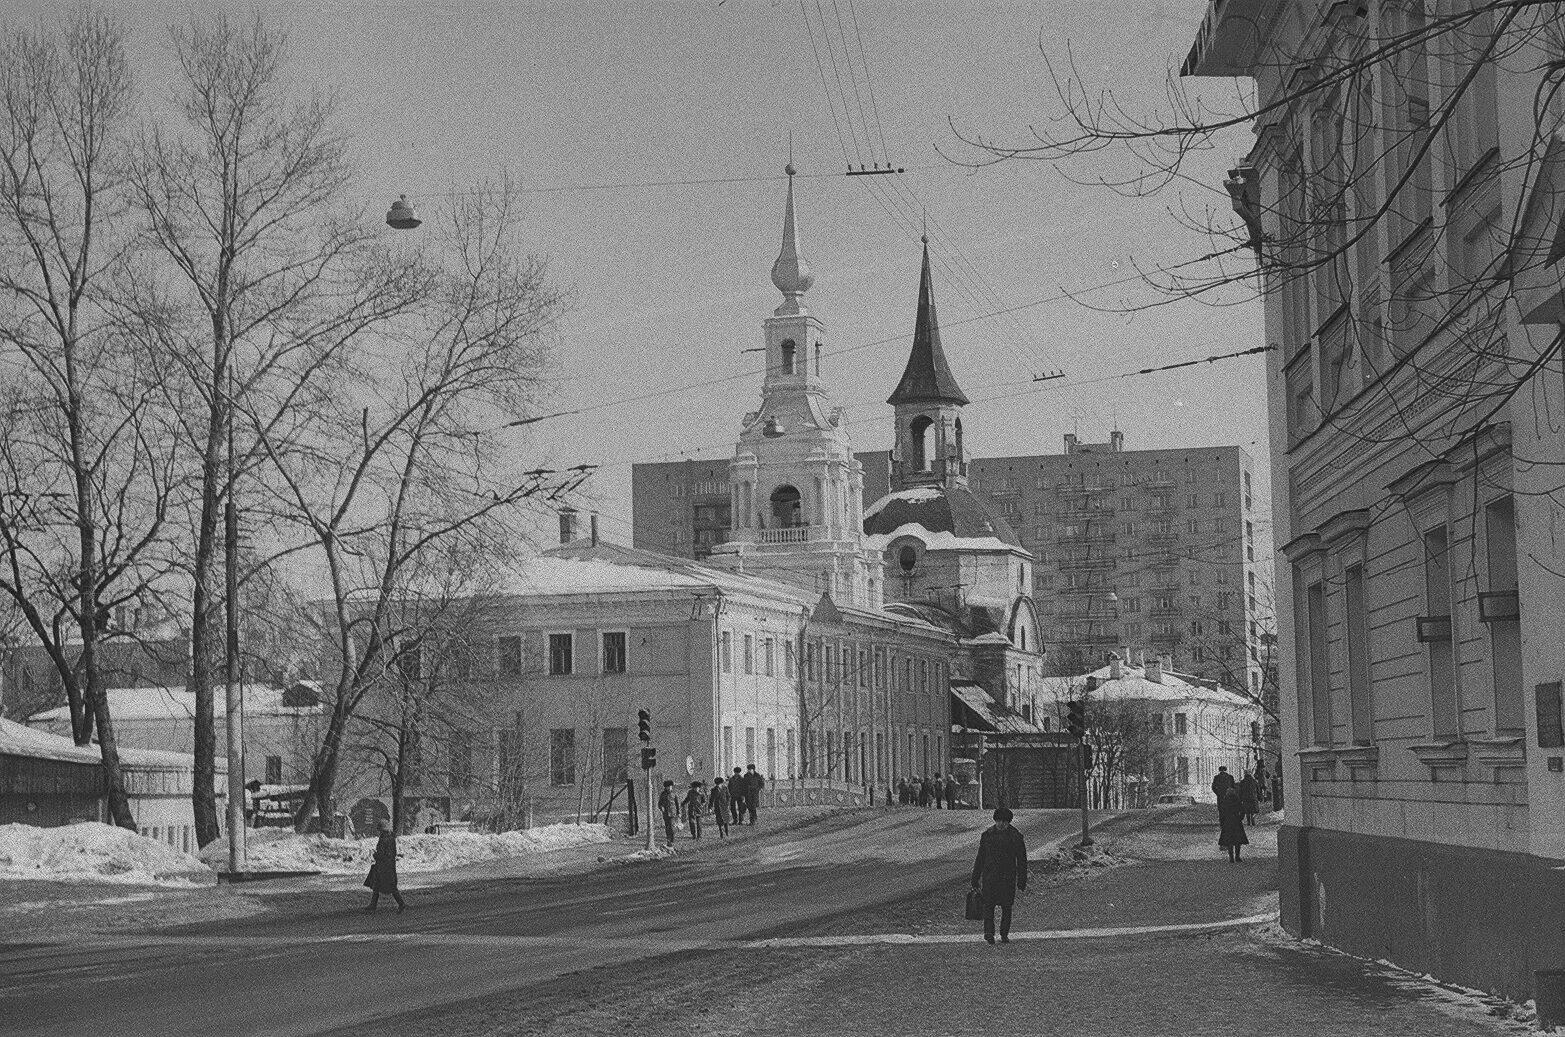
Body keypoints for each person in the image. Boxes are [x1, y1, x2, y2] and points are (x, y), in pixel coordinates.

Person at [971, 806, 1027, 944]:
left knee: (1006, 906)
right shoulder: (987, 835)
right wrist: (975, 877)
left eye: (1004, 821)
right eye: (999, 821)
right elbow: (980, 857)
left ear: (1009, 822)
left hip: (1007, 876)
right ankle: (989, 933)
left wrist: (1022, 879)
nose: (1001, 824)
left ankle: (1004, 933)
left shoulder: (1016, 837)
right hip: (990, 876)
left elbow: (1022, 860)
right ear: (995, 820)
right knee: (988, 905)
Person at [363, 821, 406, 913]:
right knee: (377, 885)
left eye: (380, 830)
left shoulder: (387, 839)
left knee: (391, 886)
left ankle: (401, 903)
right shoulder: (387, 838)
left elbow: (386, 854)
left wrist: (376, 855)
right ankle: (373, 905)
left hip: (386, 867)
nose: (379, 832)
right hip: (384, 865)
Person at [1219, 786, 1249, 862]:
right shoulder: (1237, 800)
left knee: (1229, 841)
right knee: (1237, 840)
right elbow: (1242, 810)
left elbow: (1222, 813)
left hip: (1228, 821)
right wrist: (1240, 817)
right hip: (1236, 821)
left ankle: (1231, 857)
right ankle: (1237, 856)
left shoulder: (1225, 801)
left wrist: (1222, 822)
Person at [658, 779, 679, 846]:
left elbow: (677, 804)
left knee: (672, 827)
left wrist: (678, 812)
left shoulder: (674, 794)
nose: (669, 788)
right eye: (668, 787)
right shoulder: (663, 794)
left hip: (673, 813)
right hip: (666, 813)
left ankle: (672, 840)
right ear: (665, 787)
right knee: (667, 827)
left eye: (670, 787)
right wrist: (661, 807)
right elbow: (659, 803)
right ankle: (668, 840)